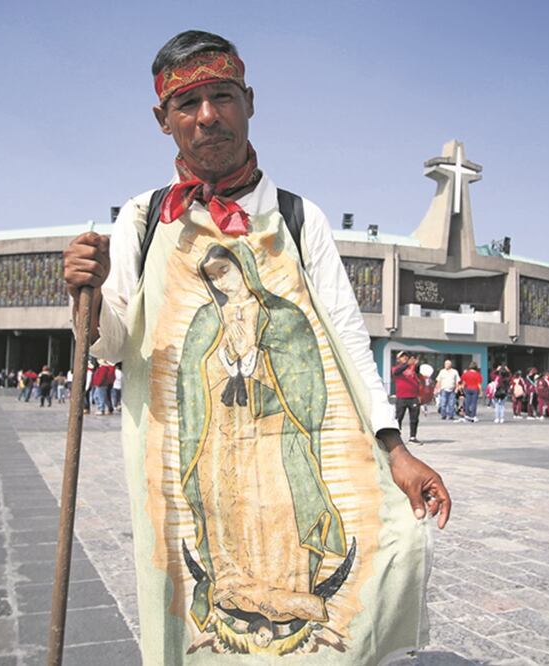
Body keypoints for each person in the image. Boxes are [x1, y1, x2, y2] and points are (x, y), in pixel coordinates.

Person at [62, 31, 448, 663]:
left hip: (283, 446)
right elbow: (110, 345)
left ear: (249, 101)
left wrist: (395, 448)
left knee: (349, 557)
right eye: (187, 103)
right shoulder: (141, 217)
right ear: (164, 120)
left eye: (222, 96)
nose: (207, 115)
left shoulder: (300, 217)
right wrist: (89, 291)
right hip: (198, 454)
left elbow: (347, 338)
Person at [392, 351, 422, 443]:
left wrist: (416, 364)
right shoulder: (395, 368)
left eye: (406, 356)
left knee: (414, 418)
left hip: (413, 397)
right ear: (398, 359)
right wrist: (407, 364)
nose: (405, 358)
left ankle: (412, 437)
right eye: (402, 356)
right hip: (401, 397)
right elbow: (397, 372)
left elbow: (418, 374)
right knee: (399, 417)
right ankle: (396, 437)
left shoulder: (412, 368)